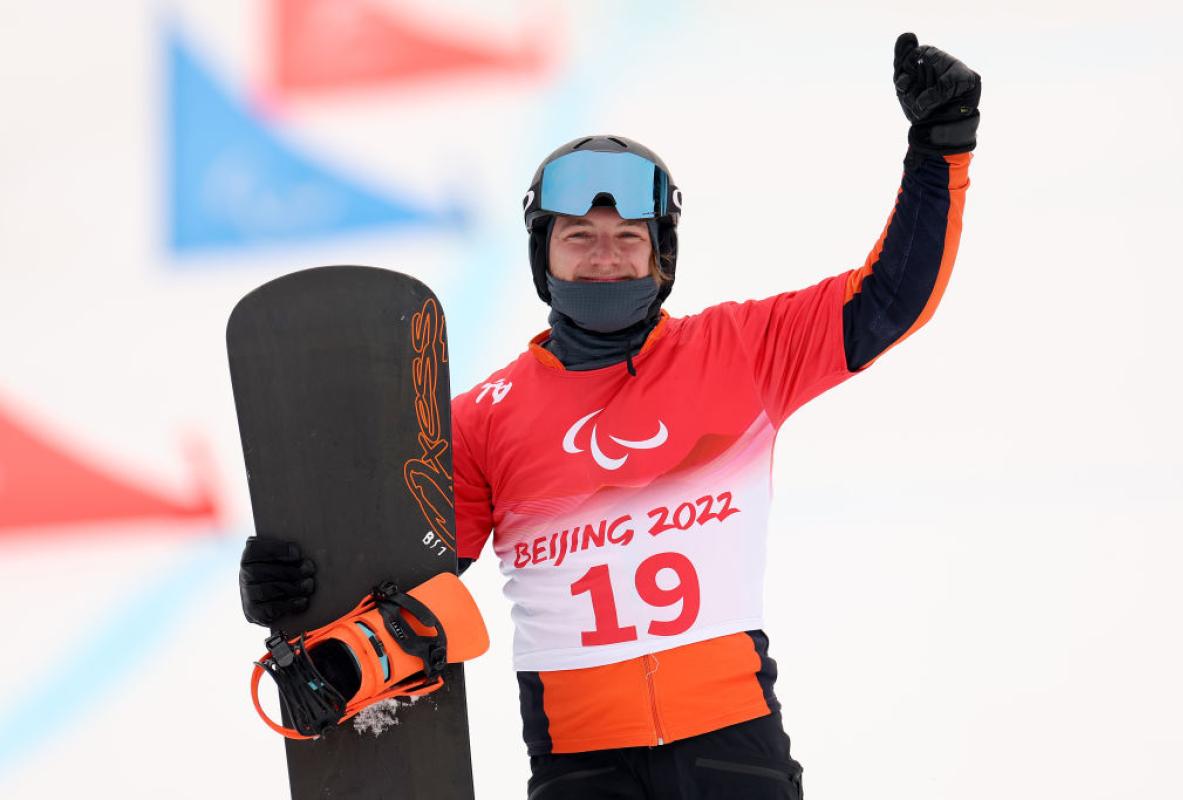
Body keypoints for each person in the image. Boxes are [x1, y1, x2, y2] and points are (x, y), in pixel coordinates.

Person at [239, 32, 980, 799]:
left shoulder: (742, 351)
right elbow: (405, 580)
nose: (605, 257)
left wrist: (941, 147)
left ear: (662, 259)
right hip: (582, 765)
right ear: (542, 257)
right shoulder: (485, 419)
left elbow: (890, 298)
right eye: (580, 238)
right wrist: (293, 592)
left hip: (736, 748)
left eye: (629, 239)